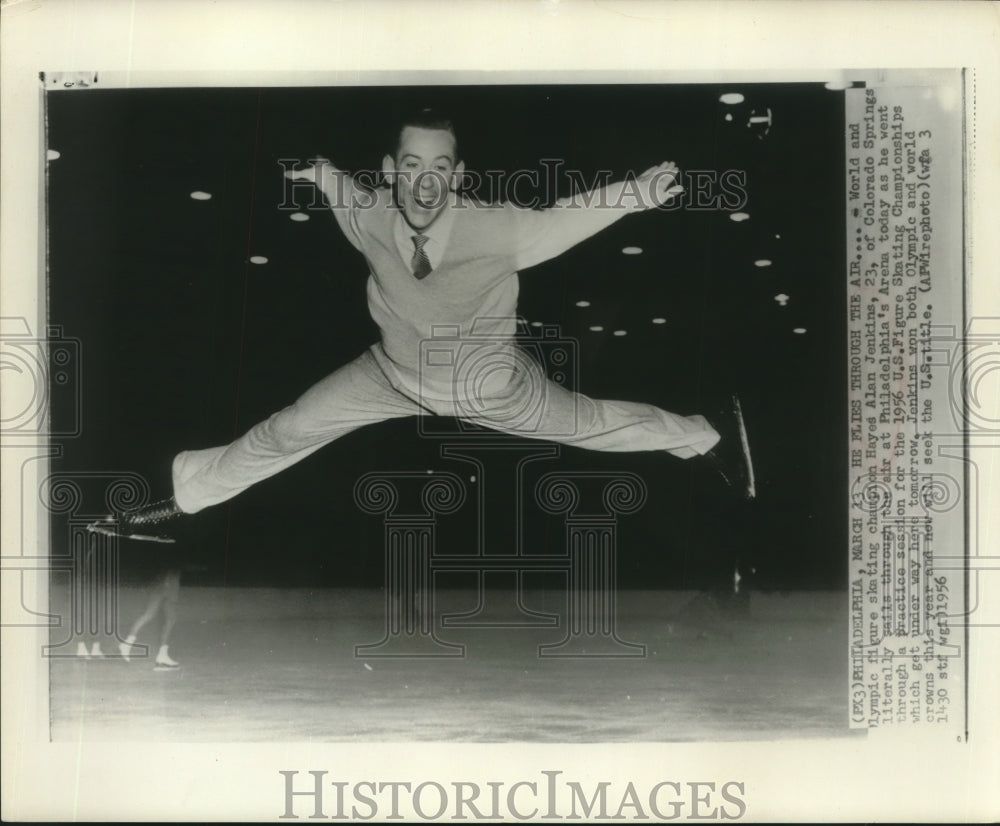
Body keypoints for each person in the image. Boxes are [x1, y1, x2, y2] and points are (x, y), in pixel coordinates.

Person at [88, 108, 752, 543]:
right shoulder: (372, 214)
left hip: (489, 387)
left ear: (457, 176)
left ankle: (703, 434)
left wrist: (636, 193)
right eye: (411, 166)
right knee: (289, 428)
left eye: (440, 168)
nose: (425, 182)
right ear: (391, 173)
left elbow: (565, 218)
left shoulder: (497, 229)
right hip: (391, 375)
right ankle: (185, 500)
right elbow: (339, 188)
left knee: (594, 423)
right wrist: (316, 170)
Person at [118, 567, 182, 670]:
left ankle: (127, 644)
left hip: (161, 582)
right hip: (169, 582)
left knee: (150, 614)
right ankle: (162, 656)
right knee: (170, 618)